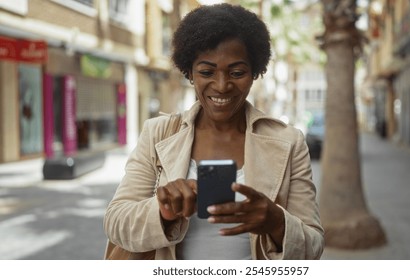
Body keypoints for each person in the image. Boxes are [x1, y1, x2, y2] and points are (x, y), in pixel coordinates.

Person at [104, 3, 324, 260]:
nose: (222, 85)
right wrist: (162, 212)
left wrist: (276, 222)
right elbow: (116, 222)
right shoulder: (158, 134)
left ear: (255, 72)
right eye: (207, 72)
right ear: (189, 73)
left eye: (237, 72)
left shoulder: (289, 142)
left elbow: (314, 245)